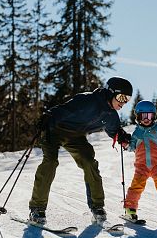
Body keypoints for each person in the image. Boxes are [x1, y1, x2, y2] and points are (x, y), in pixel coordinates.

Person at [29, 76, 133, 224]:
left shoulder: (111, 115)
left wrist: (121, 136)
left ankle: (97, 207)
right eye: (122, 97)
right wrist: (47, 117)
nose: (124, 102)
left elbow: (114, 130)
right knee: (51, 162)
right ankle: (37, 209)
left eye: (127, 99)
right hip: (54, 129)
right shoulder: (87, 100)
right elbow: (63, 110)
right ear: (110, 92)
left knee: (89, 162)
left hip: (75, 136)